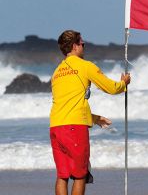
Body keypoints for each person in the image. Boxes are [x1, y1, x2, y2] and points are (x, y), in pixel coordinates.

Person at [49, 30, 131, 195]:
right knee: (80, 175)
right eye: (82, 43)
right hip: (74, 128)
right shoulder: (85, 66)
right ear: (74, 46)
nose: (84, 46)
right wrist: (124, 83)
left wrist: (95, 118)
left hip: (56, 127)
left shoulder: (56, 73)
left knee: (62, 175)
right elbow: (110, 88)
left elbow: (67, 104)